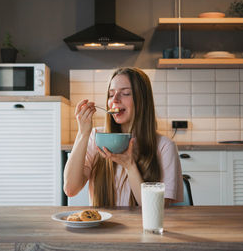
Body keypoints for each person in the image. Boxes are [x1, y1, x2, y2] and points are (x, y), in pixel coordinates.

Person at [63, 67, 183, 206]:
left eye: (125, 93)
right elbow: (70, 189)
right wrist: (83, 133)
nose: (115, 100)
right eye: (111, 94)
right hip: (103, 227)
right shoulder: (96, 137)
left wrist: (130, 166)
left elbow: (157, 210)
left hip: (141, 227)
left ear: (142, 100)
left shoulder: (164, 146)